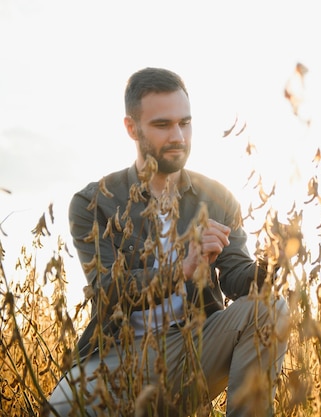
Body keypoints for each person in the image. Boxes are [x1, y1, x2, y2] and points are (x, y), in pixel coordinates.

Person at [46, 67, 289, 416]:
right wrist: (182, 268)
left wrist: (274, 264)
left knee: (269, 308)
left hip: (193, 350)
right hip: (116, 357)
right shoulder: (93, 202)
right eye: (163, 125)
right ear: (132, 128)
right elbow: (107, 292)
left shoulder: (217, 198)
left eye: (185, 123)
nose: (178, 136)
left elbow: (237, 278)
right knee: (58, 411)